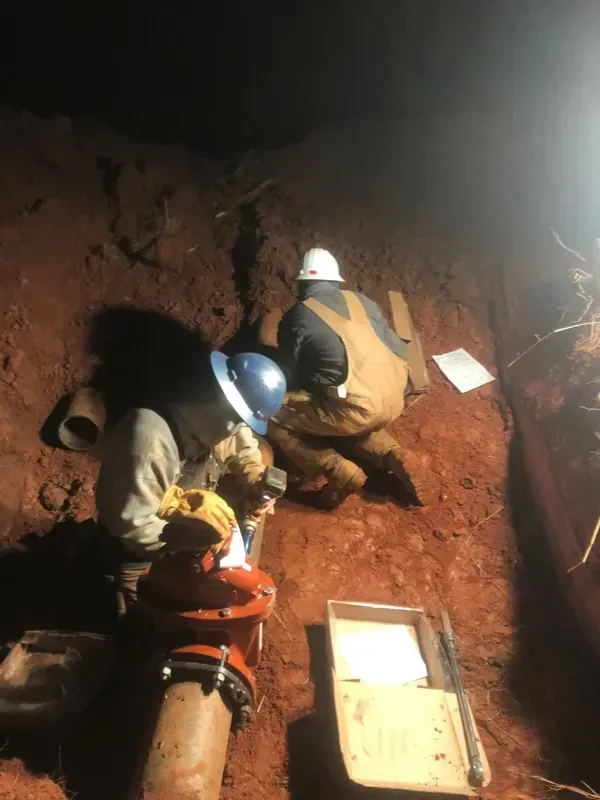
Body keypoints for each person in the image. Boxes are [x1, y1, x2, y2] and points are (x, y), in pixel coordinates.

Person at [96, 351, 286, 612]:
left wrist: (254, 477)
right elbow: (133, 526)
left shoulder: (217, 420)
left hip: (178, 538)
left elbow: (243, 448)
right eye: (238, 420)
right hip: (137, 554)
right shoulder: (151, 440)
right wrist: (197, 544)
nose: (238, 429)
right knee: (148, 619)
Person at [269, 248, 434, 507]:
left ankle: (336, 470)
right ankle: (395, 455)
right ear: (336, 281)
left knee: (270, 412)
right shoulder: (362, 301)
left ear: (303, 283)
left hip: (354, 408)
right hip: (394, 398)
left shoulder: (299, 315)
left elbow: (284, 374)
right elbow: (395, 347)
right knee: (353, 417)